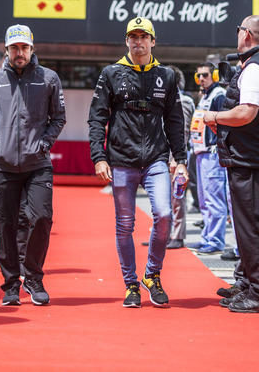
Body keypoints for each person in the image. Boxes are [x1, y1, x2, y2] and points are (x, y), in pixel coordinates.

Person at [88, 17, 187, 308]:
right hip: (121, 160)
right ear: (126, 41)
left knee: (164, 215)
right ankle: (131, 284)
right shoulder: (110, 73)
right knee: (125, 225)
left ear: (153, 42)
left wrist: (180, 159)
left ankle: (152, 275)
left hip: (156, 158)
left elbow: (175, 120)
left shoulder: (166, 76)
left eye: (144, 37)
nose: (138, 42)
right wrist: (98, 156)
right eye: (133, 37)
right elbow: (97, 118)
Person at [0, 24, 65, 306]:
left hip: (38, 163)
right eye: (14, 48)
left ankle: (34, 277)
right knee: (6, 225)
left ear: (32, 49)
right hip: (3, 164)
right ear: (6, 49)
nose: (19, 53)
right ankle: (11, 284)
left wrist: (44, 143)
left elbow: (58, 118)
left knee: (41, 218)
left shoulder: (49, 78)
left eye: (24, 48)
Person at [204, 15, 259, 314]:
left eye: (239, 29)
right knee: (254, 227)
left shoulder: (256, 66)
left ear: (248, 34)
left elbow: (245, 113)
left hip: (252, 159)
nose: (236, 34)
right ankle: (251, 286)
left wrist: (213, 117)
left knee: (252, 229)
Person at [187, 62, 228, 255]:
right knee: (203, 199)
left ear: (215, 75)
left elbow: (222, 124)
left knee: (214, 199)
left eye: (205, 75)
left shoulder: (218, 94)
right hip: (200, 153)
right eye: (198, 76)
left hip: (211, 154)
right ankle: (207, 237)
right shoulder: (206, 95)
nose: (201, 79)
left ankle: (216, 240)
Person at [166, 65, 193, 250]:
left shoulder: (182, 100)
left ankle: (177, 235)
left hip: (175, 156)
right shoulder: (169, 98)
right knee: (164, 198)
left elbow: (182, 132)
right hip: (163, 154)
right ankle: (165, 234)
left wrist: (177, 158)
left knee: (177, 197)